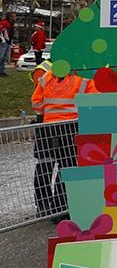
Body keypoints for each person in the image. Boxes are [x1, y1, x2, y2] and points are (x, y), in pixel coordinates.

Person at [31, 63, 95, 217]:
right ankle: (61, 208)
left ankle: (43, 206)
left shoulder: (48, 76)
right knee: (67, 168)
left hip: (47, 129)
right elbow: (93, 103)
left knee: (44, 166)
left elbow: (36, 104)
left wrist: (51, 111)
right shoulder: (84, 78)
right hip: (70, 129)